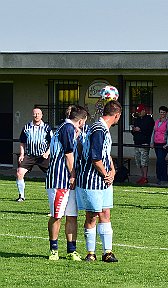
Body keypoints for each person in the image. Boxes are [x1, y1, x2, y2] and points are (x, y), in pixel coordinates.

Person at [76, 100, 122, 262]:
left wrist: (113, 169)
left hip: (103, 180)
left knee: (106, 213)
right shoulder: (98, 129)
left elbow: (105, 153)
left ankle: (107, 252)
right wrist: (106, 174)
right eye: (119, 117)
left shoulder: (104, 129)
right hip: (91, 180)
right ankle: (90, 253)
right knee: (92, 215)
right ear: (117, 115)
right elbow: (95, 158)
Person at [46, 105, 88, 261]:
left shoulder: (70, 129)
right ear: (81, 120)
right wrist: (73, 174)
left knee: (72, 215)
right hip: (59, 179)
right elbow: (68, 154)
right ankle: (54, 249)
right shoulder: (67, 128)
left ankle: (71, 250)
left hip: (69, 181)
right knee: (57, 215)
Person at [16, 107, 52, 202]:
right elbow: (22, 142)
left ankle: (52, 197)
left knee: (51, 174)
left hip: (43, 156)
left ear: (41, 115)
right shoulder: (27, 127)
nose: (36, 115)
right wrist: (22, 154)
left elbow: (53, 142)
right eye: (35, 114)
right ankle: (21, 196)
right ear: (32, 115)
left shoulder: (47, 128)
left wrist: (47, 153)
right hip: (30, 155)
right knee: (19, 172)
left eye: (38, 114)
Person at [131, 104, 154, 184]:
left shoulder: (149, 119)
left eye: (140, 111)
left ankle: (145, 177)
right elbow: (133, 131)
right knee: (138, 161)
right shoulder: (137, 119)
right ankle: (142, 176)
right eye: (138, 112)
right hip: (137, 143)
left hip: (144, 143)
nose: (139, 113)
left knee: (144, 161)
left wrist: (140, 129)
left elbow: (150, 130)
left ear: (144, 110)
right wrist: (134, 130)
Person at [151, 106, 168, 185]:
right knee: (160, 161)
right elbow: (154, 132)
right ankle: (161, 177)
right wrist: (151, 142)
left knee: (160, 160)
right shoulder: (157, 121)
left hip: (164, 144)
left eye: (163, 112)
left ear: (166, 113)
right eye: (161, 112)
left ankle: (162, 178)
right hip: (157, 143)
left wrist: (167, 144)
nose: (162, 114)